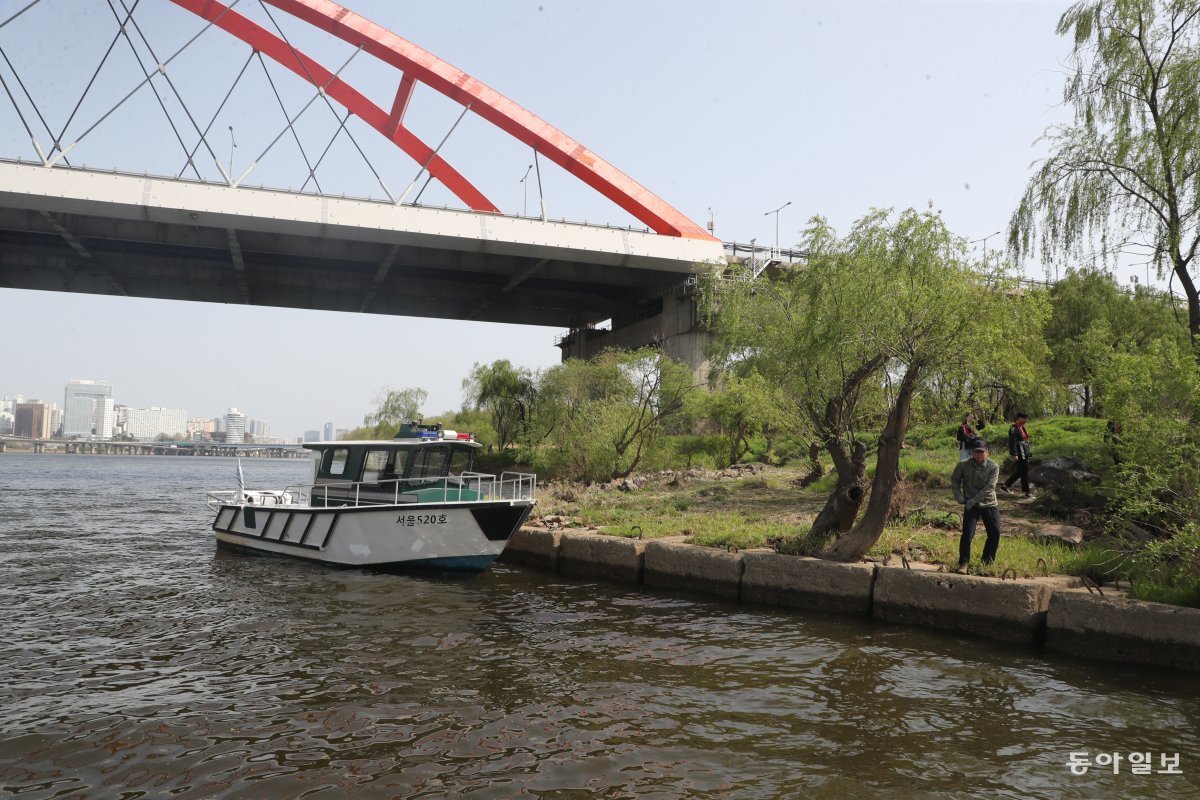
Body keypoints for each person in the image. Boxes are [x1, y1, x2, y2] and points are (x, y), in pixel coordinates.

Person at [950, 439, 1001, 573]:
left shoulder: (993, 466)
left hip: (989, 503)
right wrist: (959, 496)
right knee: (967, 534)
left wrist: (974, 499)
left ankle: (986, 564)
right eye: (976, 452)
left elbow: (990, 487)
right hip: (970, 505)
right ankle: (963, 563)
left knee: (995, 533)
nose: (979, 454)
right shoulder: (963, 465)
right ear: (972, 452)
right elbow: (955, 480)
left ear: (987, 453)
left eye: (981, 452)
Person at [1002, 411, 1034, 499]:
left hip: (1024, 450)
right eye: (1024, 418)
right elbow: (1013, 442)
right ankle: (1027, 492)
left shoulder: (1022, 427)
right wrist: (1014, 454)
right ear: (1019, 418)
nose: (1026, 420)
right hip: (1019, 452)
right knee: (1024, 472)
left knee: (1020, 471)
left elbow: (1025, 440)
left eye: (1026, 419)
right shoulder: (1013, 428)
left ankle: (1005, 485)